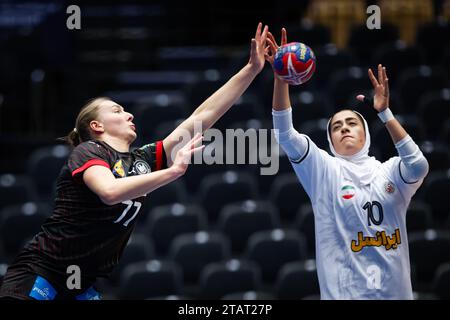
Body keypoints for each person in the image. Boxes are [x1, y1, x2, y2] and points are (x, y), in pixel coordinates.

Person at [0, 23, 269, 300]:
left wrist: (250, 70)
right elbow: (110, 192)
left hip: (81, 284)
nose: (129, 114)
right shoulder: (89, 151)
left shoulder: (141, 160)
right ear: (96, 125)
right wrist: (173, 172)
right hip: (41, 271)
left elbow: (201, 117)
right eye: (117, 110)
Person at [265, 28, 429, 299]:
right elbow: (284, 133)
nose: (344, 129)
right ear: (330, 141)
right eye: (336, 127)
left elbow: (418, 165)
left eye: (352, 123)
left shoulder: (388, 171)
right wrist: (282, 77)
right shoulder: (324, 170)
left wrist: (385, 113)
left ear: (365, 133)